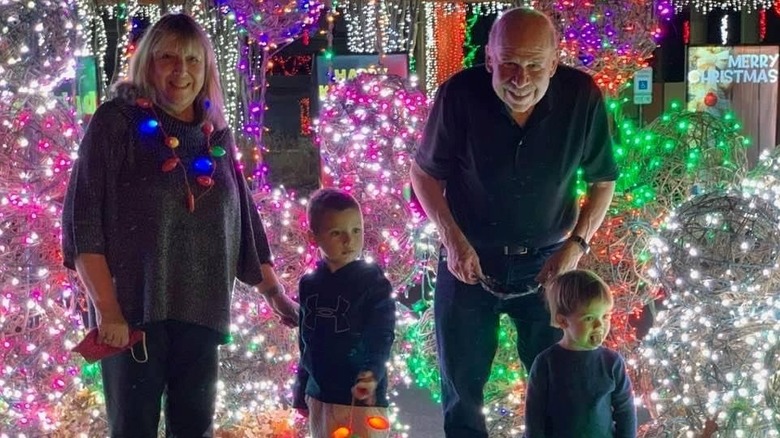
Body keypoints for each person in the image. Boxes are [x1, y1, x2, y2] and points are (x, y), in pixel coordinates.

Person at [61, 13, 299, 437]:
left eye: (193, 59)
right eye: (168, 57)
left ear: (206, 68)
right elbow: (84, 223)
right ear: (147, 63)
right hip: (133, 318)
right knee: (133, 428)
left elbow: (244, 223)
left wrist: (276, 295)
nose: (181, 71)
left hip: (202, 313)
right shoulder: (117, 123)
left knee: (194, 429)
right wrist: (108, 309)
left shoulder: (215, 137)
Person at [410, 7, 619, 438]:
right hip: (467, 260)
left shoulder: (581, 96)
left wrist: (576, 246)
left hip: (549, 263)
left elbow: (603, 180)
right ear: (489, 59)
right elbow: (424, 174)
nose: (520, 79)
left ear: (554, 62)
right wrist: (451, 238)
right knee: (462, 390)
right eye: (508, 64)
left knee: (561, 387)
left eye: (533, 66)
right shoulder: (459, 95)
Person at [293, 188, 396, 438]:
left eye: (356, 231)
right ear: (313, 237)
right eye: (336, 233)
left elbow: (381, 334)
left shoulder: (373, 282)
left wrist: (371, 374)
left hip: (360, 395)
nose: (349, 241)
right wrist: (301, 388)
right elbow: (306, 340)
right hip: (321, 395)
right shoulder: (310, 284)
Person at [524, 270, 637, 438]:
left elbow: (625, 410)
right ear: (563, 321)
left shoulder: (612, 362)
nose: (600, 325)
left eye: (605, 316)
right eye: (589, 318)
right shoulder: (546, 363)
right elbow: (534, 415)